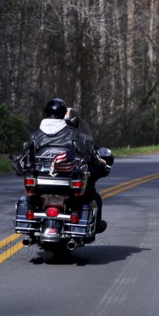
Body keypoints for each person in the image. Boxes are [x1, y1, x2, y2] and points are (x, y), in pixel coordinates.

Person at [20, 98, 107, 233]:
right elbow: (91, 156)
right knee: (87, 194)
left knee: (29, 193)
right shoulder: (77, 136)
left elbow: (25, 157)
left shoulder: (35, 136)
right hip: (68, 185)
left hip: (40, 183)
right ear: (62, 114)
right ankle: (79, 218)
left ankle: (32, 215)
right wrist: (101, 165)